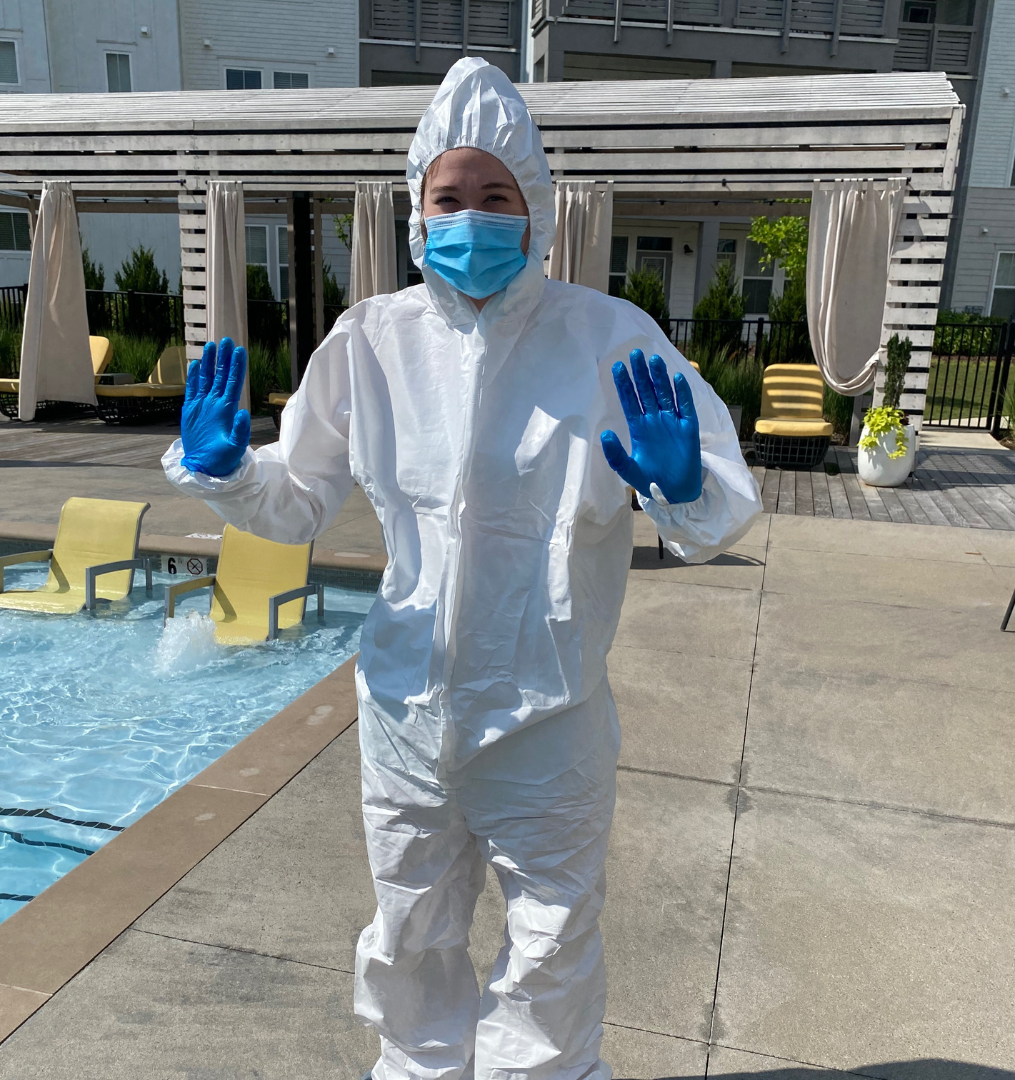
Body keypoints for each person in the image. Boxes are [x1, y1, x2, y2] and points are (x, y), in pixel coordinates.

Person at [164, 56, 761, 1080]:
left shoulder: (608, 339)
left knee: (551, 950)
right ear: (415, 205)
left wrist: (679, 488)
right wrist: (227, 473)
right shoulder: (369, 342)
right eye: (451, 196)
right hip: (406, 711)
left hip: (548, 716)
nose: (472, 218)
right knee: (410, 938)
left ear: (534, 210)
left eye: (496, 196)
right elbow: (297, 503)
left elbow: (715, 507)